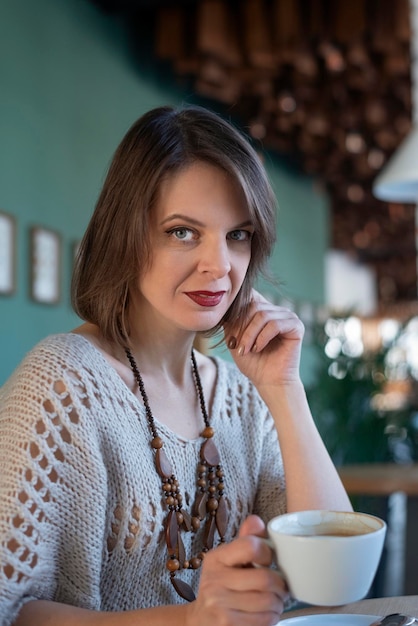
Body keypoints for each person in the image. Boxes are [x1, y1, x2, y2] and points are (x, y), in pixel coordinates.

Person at [0, 104, 352, 626]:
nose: (220, 265)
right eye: (183, 231)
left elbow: (335, 579)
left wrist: (284, 390)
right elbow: (11, 609)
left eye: (238, 234)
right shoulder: (62, 383)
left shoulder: (241, 396)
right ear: (126, 234)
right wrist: (190, 621)